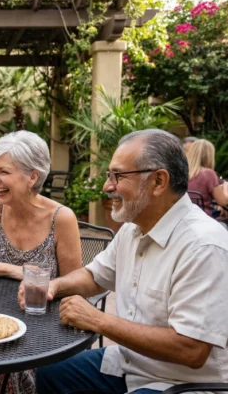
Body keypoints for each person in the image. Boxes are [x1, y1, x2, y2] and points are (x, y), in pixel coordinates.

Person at [29, 129, 228, 393]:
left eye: (117, 176)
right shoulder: (134, 228)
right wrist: (53, 286)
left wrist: (97, 320)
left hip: (183, 383)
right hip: (130, 365)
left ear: (158, 181)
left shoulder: (203, 245)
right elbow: (94, 276)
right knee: (51, 373)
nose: (107, 186)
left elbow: (191, 350)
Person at [0, 130, 82, 394]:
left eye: (4, 172)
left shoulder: (61, 218)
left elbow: (75, 285)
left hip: (43, 325)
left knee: (9, 363)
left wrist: (48, 286)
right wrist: (15, 270)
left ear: (33, 176)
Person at [186, 138, 228, 217]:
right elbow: (223, 202)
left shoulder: (182, 172)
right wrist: (226, 187)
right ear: (210, 156)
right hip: (203, 218)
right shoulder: (208, 174)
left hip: (184, 217)